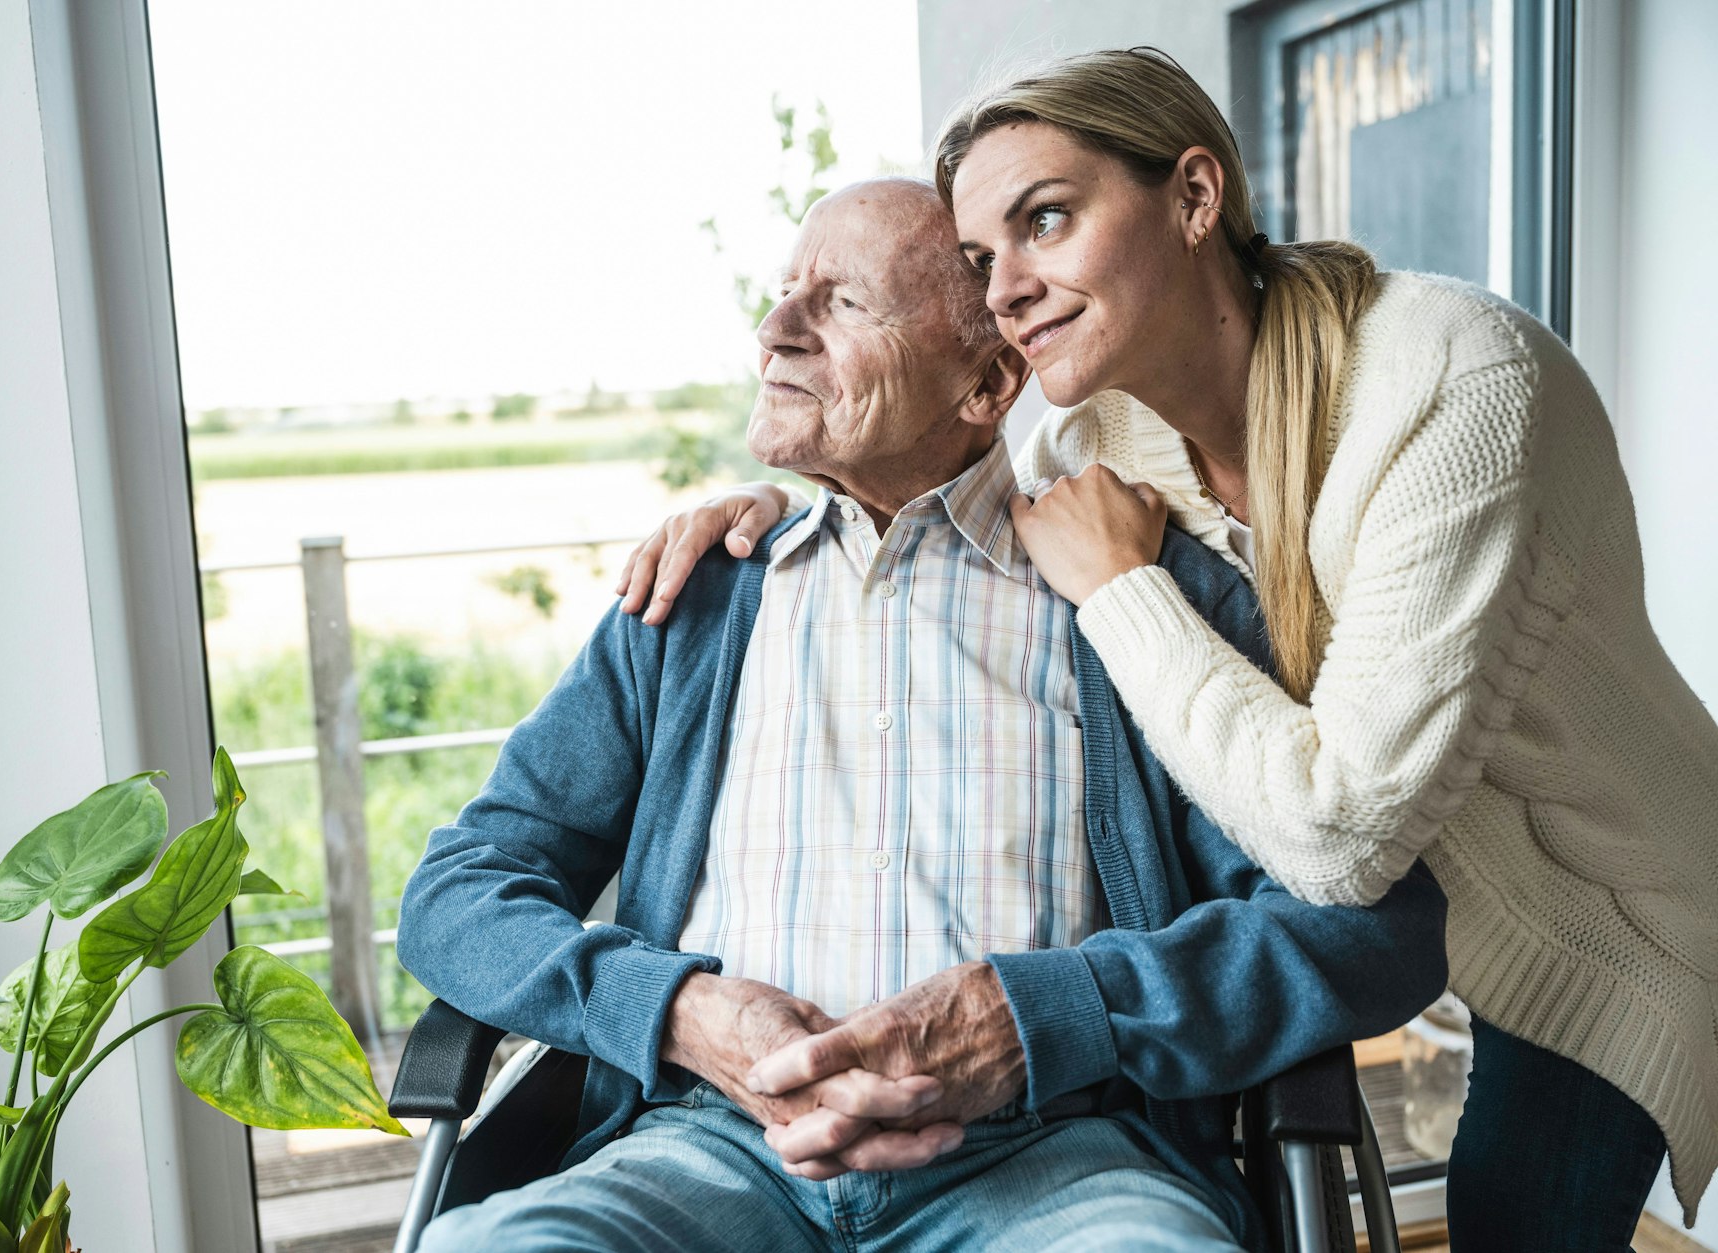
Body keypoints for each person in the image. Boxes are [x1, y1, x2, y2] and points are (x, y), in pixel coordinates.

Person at [615, 46, 1718, 1253]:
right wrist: (781, 509)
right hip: (1427, 888)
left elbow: (1340, 837)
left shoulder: (1453, 381)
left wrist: (1125, 588)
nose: (1006, 292)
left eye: (1047, 220)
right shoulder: (1107, 430)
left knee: (1519, 1221)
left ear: (1194, 197)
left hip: (1602, 903)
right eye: (983, 261)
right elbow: (935, 492)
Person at [398, 176, 1446, 1253]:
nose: (773, 330)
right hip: (708, 1150)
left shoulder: (1135, 594)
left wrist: (1039, 1016)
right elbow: (458, 890)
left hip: (1059, 1167)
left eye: (841, 304)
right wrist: (673, 1010)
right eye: (783, 292)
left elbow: (1367, 925)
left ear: (987, 381)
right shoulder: (694, 602)